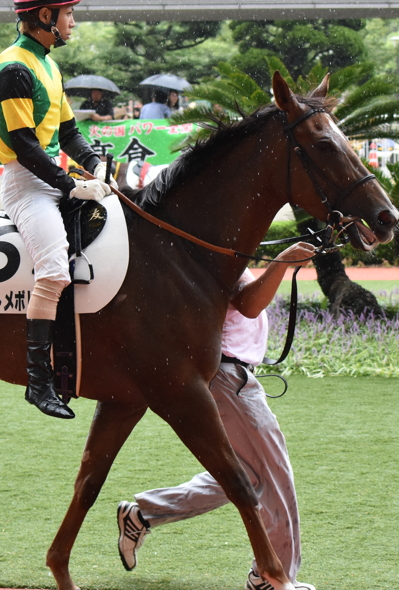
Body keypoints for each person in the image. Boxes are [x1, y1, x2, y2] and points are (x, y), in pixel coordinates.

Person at [116, 243, 318, 590]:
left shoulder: (211, 248)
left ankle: (143, 515)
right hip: (227, 376)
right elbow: (249, 304)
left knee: (243, 477)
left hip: (227, 374)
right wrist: (283, 261)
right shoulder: (211, 252)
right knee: (274, 475)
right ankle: (272, 578)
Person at [0, 0, 109, 420]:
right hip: (27, 185)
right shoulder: (14, 68)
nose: (73, 21)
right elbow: (23, 144)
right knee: (55, 268)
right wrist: (70, 185)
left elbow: (70, 132)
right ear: (44, 15)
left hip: (53, 179)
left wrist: (96, 168)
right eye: (68, 13)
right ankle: (38, 382)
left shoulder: (49, 65)